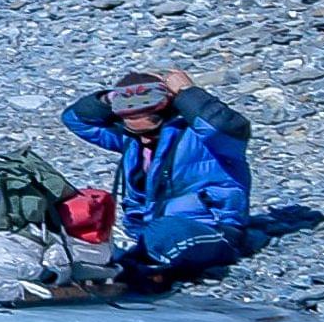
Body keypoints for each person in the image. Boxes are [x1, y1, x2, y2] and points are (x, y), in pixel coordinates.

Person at [61, 68, 258, 293]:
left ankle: (128, 277)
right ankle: (105, 271)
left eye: (151, 132)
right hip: (147, 233)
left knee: (164, 232)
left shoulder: (206, 139)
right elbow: (75, 119)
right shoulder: (132, 139)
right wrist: (113, 98)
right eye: (136, 132)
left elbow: (230, 126)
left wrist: (186, 92)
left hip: (213, 230)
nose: (144, 140)